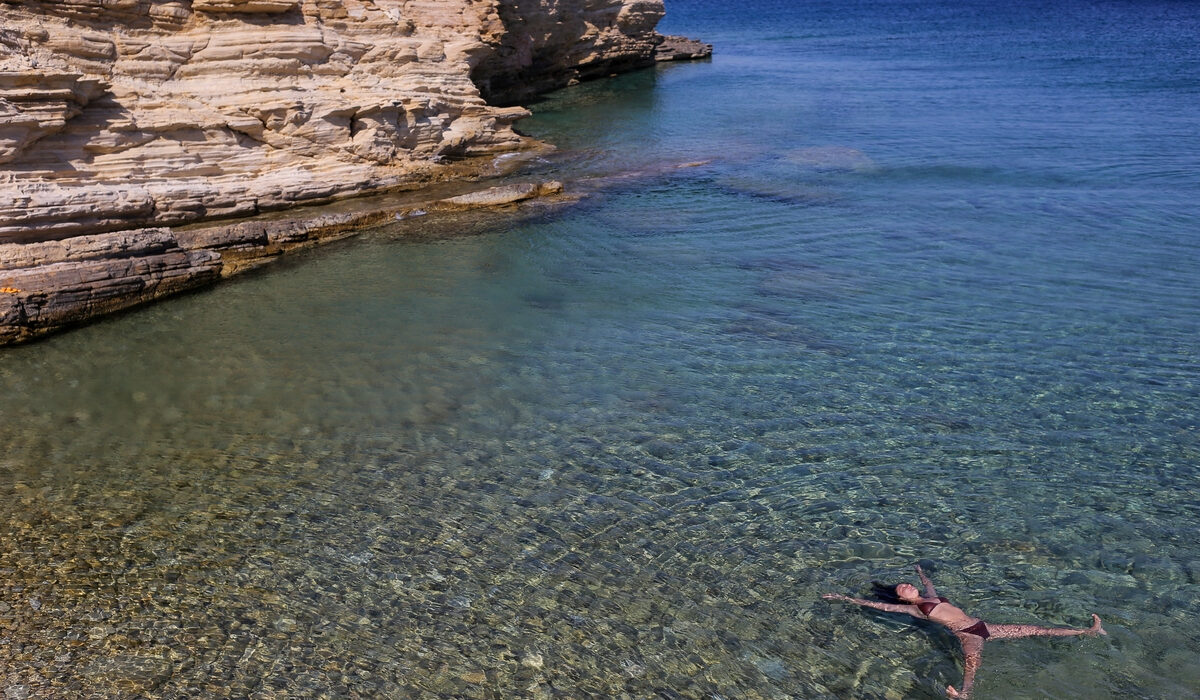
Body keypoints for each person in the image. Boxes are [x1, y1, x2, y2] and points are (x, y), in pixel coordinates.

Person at [823, 564, 1105, 698]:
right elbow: (877, 605)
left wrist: (921, 572)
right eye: (902, 590)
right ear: (902, 600)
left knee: (1037, 629)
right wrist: (845, 598)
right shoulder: (913, 610)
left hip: (985, 627)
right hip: (968, 635)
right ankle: (964, 694)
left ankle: (1088, 631)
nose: (907, 586)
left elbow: (930, 584)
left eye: (907, 584)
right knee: (972, 665)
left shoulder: (929, 596)